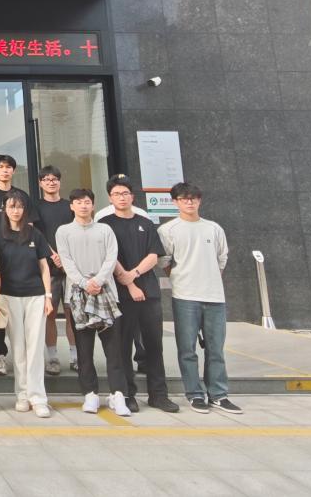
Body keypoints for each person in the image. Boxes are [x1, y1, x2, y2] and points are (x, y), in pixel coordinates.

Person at [99, 175, 179, 414]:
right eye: (116, 194)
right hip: (120, 294)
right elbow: (109, 257)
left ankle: (158, 395)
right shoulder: (105, 225)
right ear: (110, 198)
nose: (121, 198)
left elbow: (154, 255)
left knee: (154, 344)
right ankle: (128, 394)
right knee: (123, 345)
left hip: (149, 291)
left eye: (125, 193)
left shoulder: (145, 222)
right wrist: (129, 283)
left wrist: (134, 274)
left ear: (132, 197)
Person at [159, 182, 240, 415]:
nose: (189, 202)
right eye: (184, 199)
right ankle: (194, 394)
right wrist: (181, 278)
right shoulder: (168, 230)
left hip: (214, 296)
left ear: (200, 200)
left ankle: (218, 394)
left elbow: (222, 259)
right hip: (185, 296)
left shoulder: (213, 228)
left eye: (193, 198)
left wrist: (210, 278)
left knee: (216, 349)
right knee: (187, 349)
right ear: (175, 202)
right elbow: (164, 261)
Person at [56, 188, 129, 417]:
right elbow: (66, 261)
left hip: (106, 293)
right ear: (72, 206)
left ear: (93, 205)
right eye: (78, 202)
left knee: (114, 349)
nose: (83, 205)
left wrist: (97, 281)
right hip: (78, 295)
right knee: (84, 349)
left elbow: (111, 257)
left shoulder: (105, 230)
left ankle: (118, 394)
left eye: (87, 201)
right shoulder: (64, 231)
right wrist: (84, 283)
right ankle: (90, 394)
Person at [0, 191, 53, 419]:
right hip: (9, 296)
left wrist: (48, 296)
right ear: (4, 210)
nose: (16, 211)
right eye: (11, 206)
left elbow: (44, 267)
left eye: (19, 207)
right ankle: (22, 394)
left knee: (35, 347)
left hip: (35, 295)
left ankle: (38, 397)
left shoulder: (35, 234)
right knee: (18, 347)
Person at [0, 154, 37, 377]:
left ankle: (25, 356)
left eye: (9, 167)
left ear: (13, 170)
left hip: (21, 259)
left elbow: (30, 225)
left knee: (22, 314)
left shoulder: (22, 196)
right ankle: (0, 355)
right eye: (1, 167)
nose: (5, 170)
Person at [34, 166, 77, 375]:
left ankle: (76, 356)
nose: (51, 183)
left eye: (54, 179)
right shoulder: (36, 207)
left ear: (60, 182)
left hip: (72, 270)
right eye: (46, 179)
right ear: (40, 183)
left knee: (73, 314)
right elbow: (36, 234)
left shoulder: (70, 206)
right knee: (49, 314)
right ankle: (52, 358)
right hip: (48, 270)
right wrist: (52, 255)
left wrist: (66, 259)